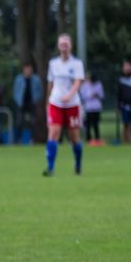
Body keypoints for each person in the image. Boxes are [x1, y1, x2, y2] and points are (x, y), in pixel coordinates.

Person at [44, 33, 85, 176]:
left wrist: (69, 95)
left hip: (72, 104)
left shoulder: (77, 64)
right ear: (58, 46)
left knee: (73, 137)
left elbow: (78, 82)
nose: (63, 48)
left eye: (66, 45)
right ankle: (50, 167)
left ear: (70, 46)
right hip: (56, 103)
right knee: (53, 134)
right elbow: (51, 83)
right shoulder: (53, 64)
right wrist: (48, 101)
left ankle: (78, 164)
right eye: (61, 45)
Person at [12, 62, 43, 145]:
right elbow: (15, 91)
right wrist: (17, 101)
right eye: (26, 69)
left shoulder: (36, 80)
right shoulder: (19, 79)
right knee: (19, 122)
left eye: (29, 69)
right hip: (21, 103)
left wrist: (37, 100)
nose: (28, 71)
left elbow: (40, 91)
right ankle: (18, 140)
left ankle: (32, 139)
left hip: (32, 103)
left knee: (33, 122)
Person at [79, 72, 104, 146]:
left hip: (96, 107)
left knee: (96, 124)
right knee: (88, 124)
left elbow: (102, 95)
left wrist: (97, 94)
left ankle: (97, 139)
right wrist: (90, 95)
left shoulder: (98, 84)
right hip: (88, 107)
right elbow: (83, 96)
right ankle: (88, 139)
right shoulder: (84, 86)